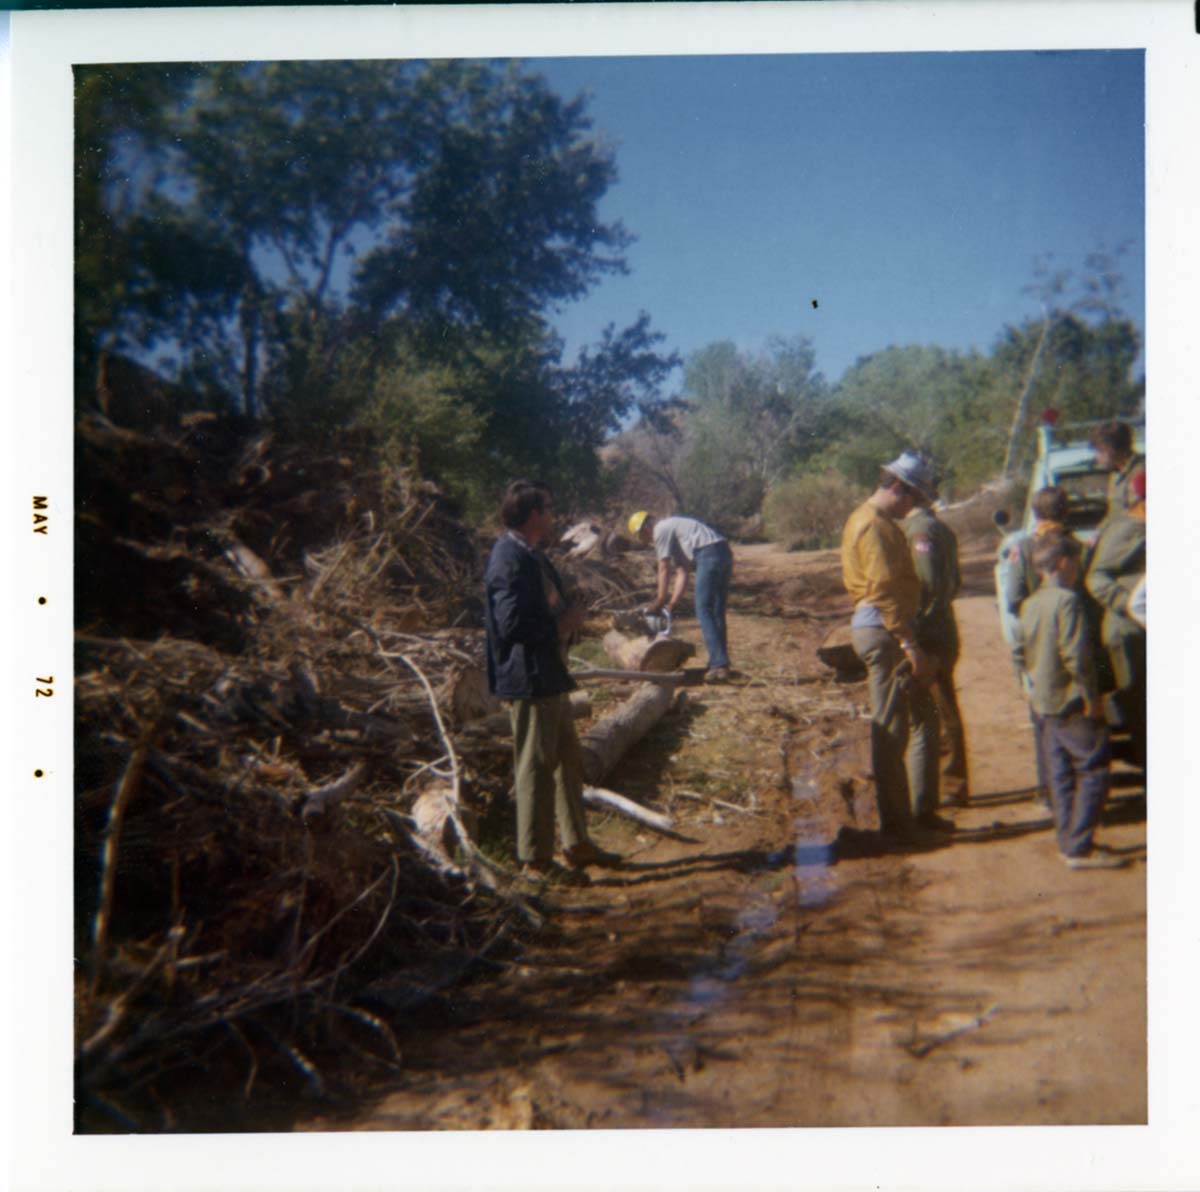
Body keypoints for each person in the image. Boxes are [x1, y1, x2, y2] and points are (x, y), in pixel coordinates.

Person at [484, 480, 619, 882]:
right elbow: (509, 625)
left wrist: (568, 621)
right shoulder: (507, 556)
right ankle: (534, 860)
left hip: (550, 675)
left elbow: (544, 609)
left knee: (567, 763)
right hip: (529, 679)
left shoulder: (532, 555)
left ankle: (576, 844)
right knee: (535, 768)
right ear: (533, 514)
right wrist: (560, 626)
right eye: (548, 506)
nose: (554, 512)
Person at [840, 451, 945, 840]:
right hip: (885, 633)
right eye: (914, 499)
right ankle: (898, 826)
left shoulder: (877, 521)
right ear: (898, 488)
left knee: (921, 720)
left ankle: (919, 812)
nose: (914, 508)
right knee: (891, 729)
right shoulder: (873, 525)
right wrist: (908, 643)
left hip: (890, 629)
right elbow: (883, 591)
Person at [1015, 534, 1124, 869]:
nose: (1078, 568)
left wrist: (1032, 685)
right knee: (1093, 769)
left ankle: (1068, 841)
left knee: (1060, 773)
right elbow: (1075, 654)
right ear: (1063, 562)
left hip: (1044, 700)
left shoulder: (1030, 603)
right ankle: (1079, 846)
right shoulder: (1068, 601)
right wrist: (1091, 696)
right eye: (1075, 561)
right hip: (1071, 698)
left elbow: (1018, 652)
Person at [903, 485, 969, 811]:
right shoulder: (938, 526)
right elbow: (954, 582)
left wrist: (916, 626)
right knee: (942, 706)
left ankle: (951, 786)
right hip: (942, 624)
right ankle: (952, 783)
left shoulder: (920, 530)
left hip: (930, 631)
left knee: (938, 707)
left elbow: (925, 583)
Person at [1085, 468, 1146, 771]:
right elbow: (1096, 578)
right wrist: (1131, 605)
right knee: (1140, 708)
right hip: (1129, 634)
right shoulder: (1129, 530)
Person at [627, 510, 734, 683]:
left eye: (642, 537)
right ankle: (720, 663)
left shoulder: (660, 529)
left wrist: (660, 599)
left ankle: (719, 664)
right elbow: (682, 571)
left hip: (707, 554)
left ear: (645, 528)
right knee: (716, 611)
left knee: (703, 609)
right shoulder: (675, 530)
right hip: (723, 551)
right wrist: (672, 603)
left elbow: (664, 567)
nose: (646, 540)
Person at [1090, 420, 1144, 527]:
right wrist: (1098, 534)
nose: (1097, 458)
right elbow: (1112, 515)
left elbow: (1137, 522)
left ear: (1112, 450)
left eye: (1100, 451)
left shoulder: (1140, 476)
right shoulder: (1116, 473)